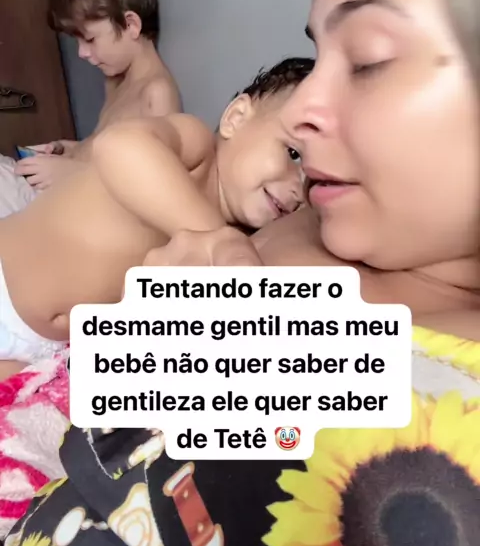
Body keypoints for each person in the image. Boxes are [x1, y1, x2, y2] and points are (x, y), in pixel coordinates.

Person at [6, 0, 480, 546]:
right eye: (318, 55)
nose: (310, 110)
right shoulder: (320, 218)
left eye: (366, 56)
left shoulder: (440, 428)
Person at [0, 57, 311, 372]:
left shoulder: (246, 243)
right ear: (237, 117)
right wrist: (214, 235)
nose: (299, 190)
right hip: (7, 275)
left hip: (44, 345)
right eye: (294, 153)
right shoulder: (197, 148)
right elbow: (118, 146)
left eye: (315, 182)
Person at [14, 0, 182, 192]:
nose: (81, 53)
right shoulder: (115, 80)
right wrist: (68, 150)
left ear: (131, 25)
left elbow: (155, 184)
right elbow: (102, 150)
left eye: (90, 39)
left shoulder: (157, 94)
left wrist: (73, 172)